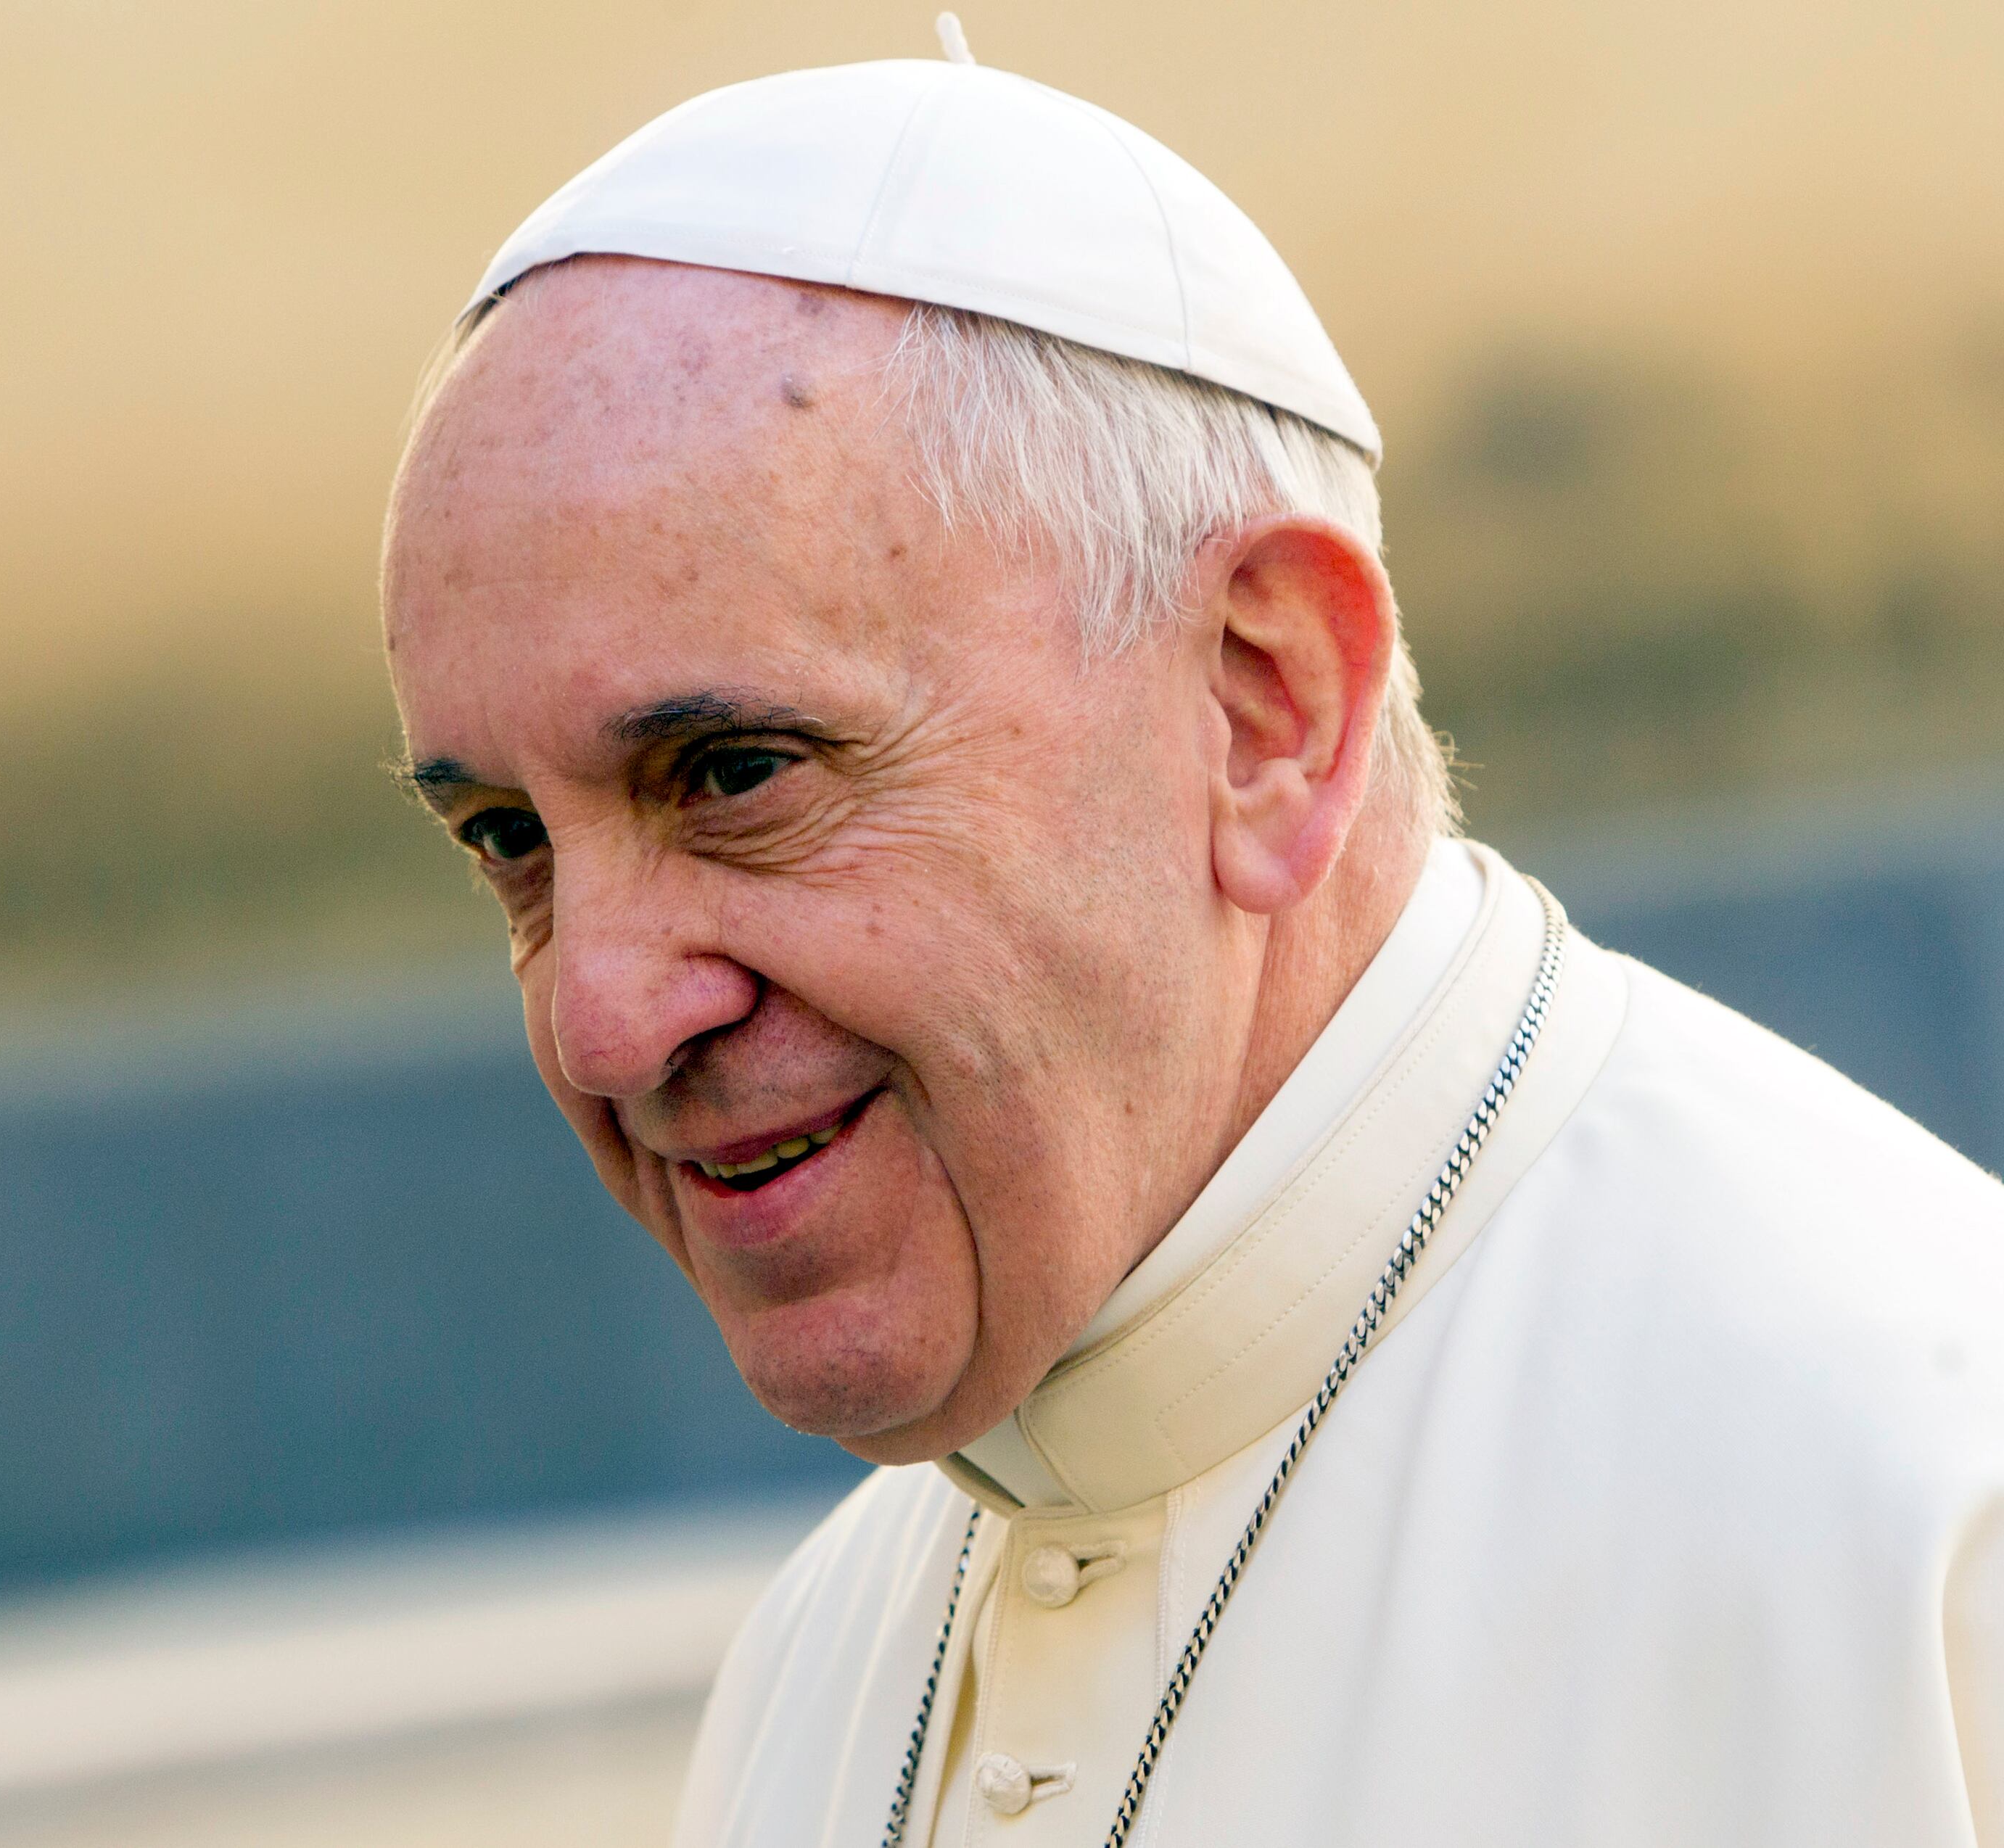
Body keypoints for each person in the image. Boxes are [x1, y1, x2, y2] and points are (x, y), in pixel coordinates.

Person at [378, 25, 2004, 1847]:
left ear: (1262, 704)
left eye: (738, 770)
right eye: (508, 840)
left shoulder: (1925, 1525)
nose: (599, 1021)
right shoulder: (816, 1670)